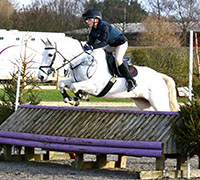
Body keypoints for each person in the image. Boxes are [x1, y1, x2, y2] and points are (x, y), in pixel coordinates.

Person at [82, 8, 136, 92]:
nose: (87, 22)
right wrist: (84, 46)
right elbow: (90, 42)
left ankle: (131, 81)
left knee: (118, 60)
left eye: (89, 19)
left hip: (121, 43)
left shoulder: (104, 26)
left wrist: (92, 47)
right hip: (111, 45)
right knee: (100, 53)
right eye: (87, 20)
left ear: (96, 19)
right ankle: (112, 73)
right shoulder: (93, 30)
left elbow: (104, 42)